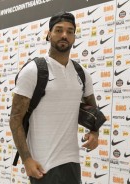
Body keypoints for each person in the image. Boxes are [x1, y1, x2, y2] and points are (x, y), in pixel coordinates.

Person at [9, 11, 99, 184]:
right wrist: (26, 159)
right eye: (59, 30)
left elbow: (93, 110)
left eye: (70, 31)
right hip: (43, 166)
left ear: (74, 37)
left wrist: (95, 132)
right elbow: (15, 119)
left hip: (72, 162)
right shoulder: (33, 71)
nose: (64, 35)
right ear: (49, 34)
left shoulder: (82, 74)